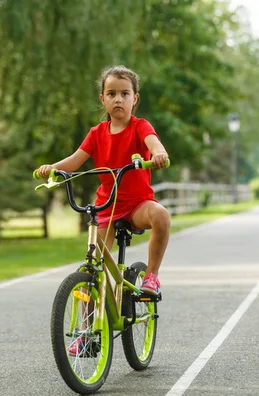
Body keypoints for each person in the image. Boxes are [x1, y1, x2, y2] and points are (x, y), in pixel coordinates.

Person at [36, 65, 170, 296]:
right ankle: (86, 330)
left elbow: (153, 143)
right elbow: (75, 160)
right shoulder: (97, 133)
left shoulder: (140, 126)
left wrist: (159, 154)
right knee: (93, 271)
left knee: (161, 216)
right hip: (107, 206)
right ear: (103, 99)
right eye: (112, 94)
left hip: (138, 204)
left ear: (134, 98)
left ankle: (152, 275)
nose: (118, 99)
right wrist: (52, 169)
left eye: (124, 94)